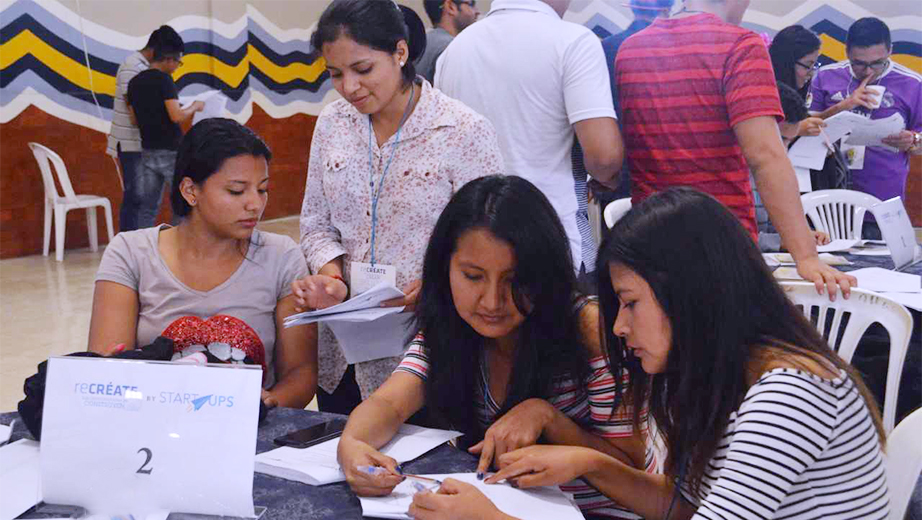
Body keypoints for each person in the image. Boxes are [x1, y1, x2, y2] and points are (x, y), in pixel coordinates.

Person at [459, 188, 889, 520]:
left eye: (631, 303)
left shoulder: (792, 393)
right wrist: (587, 461)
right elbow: (681, 506)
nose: (619, 327)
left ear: (689, 296)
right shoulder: (715, 374)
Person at [337, 175, 646, 520]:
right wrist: (352, 445)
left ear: (544, 274)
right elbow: (389, 403)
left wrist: (547, 418)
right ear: (445, 269)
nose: (492, 300)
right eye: (473, 276)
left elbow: (633, 474)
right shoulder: (450, 325)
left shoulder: (590, 331)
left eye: (514, 280)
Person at [294, 0, 505, 415]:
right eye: (335, 74)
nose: (349, 87)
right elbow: (316, 223)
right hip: (346, 349)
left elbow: (490, 241)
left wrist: (438, 284)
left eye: (363, 69)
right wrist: (331, 276)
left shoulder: (461, 130)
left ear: (400, 53)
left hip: (429, 344)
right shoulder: (332, 124)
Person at [615, 0, 854, 300]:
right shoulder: (741, 45)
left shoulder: (630, 49)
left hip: (649, 241)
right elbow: (765, 156)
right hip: (721, 246)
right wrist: (805, 256)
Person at [88, 119, 316, 409]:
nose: (255, 204)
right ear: (190, 191)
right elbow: (105, 368)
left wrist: (263, 405)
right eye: (236, 191)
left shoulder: (281, 256)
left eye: (262, 189)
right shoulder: (130, 253)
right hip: (150, 422)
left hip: (252, 432)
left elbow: (301, 373)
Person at [435, 0, 624, 293]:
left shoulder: (453, 53)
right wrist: (607, 179)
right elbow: (604, 156)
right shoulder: (572, 41)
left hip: (474, 252)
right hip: (554, 244)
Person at [808, 17, 922, 238]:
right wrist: (843, 106)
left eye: (877, 63)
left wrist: (913, 141)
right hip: (827, 202)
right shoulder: (825, 77)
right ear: (847, 52)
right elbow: (803, 130)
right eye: (859, 63)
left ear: (890, 50)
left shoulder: (912, 83)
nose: (868, 71)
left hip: (882, 202)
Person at [127, 29, 204, 229]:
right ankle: (177, 243)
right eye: (179, 62)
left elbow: (134, 119)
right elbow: (176, 115)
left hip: (147, 151)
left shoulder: (134, 82)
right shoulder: (164, 80)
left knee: (148, 207)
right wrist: (195, 106)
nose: (177, 67)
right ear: (170, 59)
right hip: (171, 151)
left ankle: (143, 246)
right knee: (182, 202)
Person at [106, 26, 173, 232]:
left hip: (142, 141)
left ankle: (139, 243)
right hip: (129, 141)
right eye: (169, 57)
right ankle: (128, 244)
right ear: (156, 52)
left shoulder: (144, 67)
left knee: (143, 198)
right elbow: (134, 107)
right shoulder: (131, 67)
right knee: (135, 196)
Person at [416, 0, 480, 83]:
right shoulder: (452, 47)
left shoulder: (423, 41)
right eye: (471, 4)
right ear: (451, 7)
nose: (477, 12)